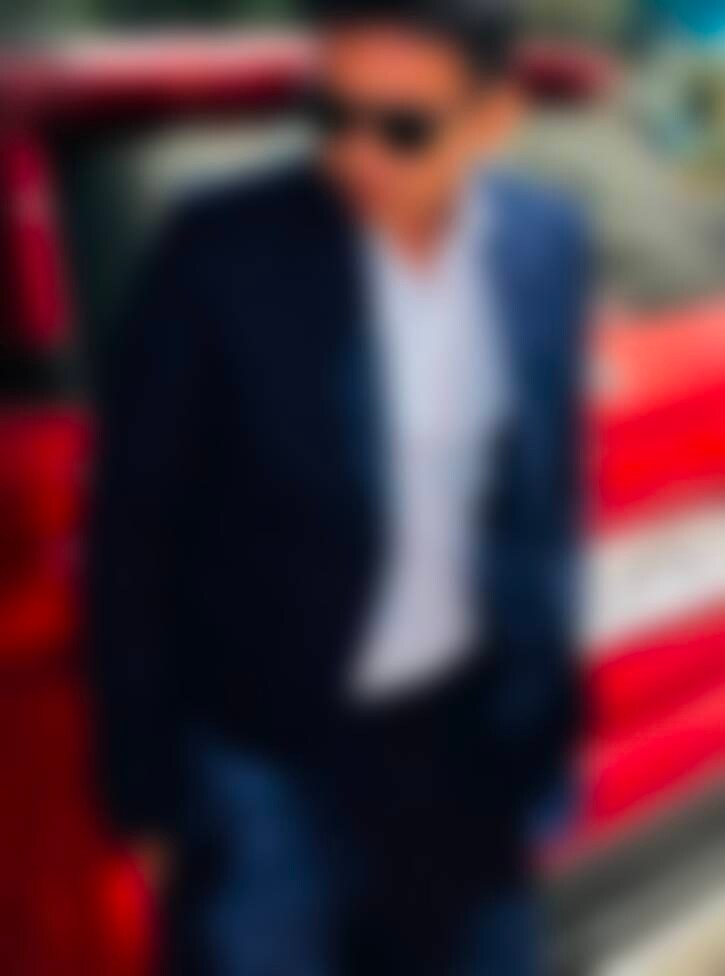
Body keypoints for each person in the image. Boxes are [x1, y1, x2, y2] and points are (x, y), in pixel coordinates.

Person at [90, 1, 591, 972]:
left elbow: (541, 498)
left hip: (462, 750)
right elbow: (133, 531)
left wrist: (543, 733)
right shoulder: (219, 250)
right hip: (266, 767)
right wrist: (146, 787)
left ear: (494, 120)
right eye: (330, 115)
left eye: (402, 127)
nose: (356, 154)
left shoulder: (544, 242)